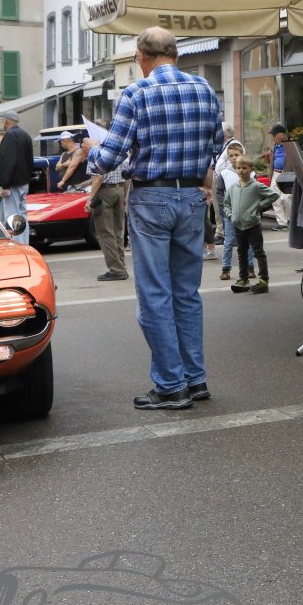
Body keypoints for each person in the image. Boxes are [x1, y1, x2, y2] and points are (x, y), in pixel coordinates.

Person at [86, 26, 223, 412]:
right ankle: (195, 379)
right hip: (192, 198)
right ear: (175, 53)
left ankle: (171, 385)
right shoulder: (204, 89)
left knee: (154, 295)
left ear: (142, 56)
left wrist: (93, 151)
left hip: (152, 198)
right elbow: (216, 145)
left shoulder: (136, 93)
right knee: (186, 294)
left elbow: (110, 158)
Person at [224, 156, 278, 294]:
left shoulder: (256, 186)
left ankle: (264, 280)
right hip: (238, 225)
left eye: (244, 168)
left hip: (252, 225)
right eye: (238, 168)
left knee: (258, 252)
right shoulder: (233, 188)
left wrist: (259, 206)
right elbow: (226, 204)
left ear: (251, 169)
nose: (241, 171)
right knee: (241, 252)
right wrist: (230, 215)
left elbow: (274, 195)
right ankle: (243, 278)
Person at [83, 137, 128, 282]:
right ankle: (121, 266)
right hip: (119, 190)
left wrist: (90, 199)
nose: (83, 148)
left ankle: (116, 270)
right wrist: (125, 196)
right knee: (118, 231)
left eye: (83, 145)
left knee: (105, 233)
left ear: (90, 145)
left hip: (104, 193)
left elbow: (97, 178)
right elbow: (128, 176)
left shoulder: (94, 154)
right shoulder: (118, 152)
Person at [0, 111, 34, 243]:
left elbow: (8, 161)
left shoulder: (10, 135)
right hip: (23, 181)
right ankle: (24, 243)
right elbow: (30, 161)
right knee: (22, 215)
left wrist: (5, 184)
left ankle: (18, 244)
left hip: (12, 183)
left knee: (12, 216)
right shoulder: (25, 135)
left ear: (6, 120)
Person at [212, 138, 245, 281]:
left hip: (246, 212)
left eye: (236, 155)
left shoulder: (249, 172)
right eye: (231, 156)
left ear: (242, 155)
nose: (234, 158)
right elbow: (219, 193)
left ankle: (249, 267)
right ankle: (225, 269)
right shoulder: (225, 173)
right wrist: (224, 208)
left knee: (247, 242)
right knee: (229, 241)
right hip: (230, 212)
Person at [265, 122, 292, 231]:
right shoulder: (275, 146)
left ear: (281, 135)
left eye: (274, 135)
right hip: (276, 173)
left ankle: (291, 221)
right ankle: (282, 223)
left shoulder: (290, 145)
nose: (273, 138)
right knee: (274, 197)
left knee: (286, 198)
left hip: (286, 174)